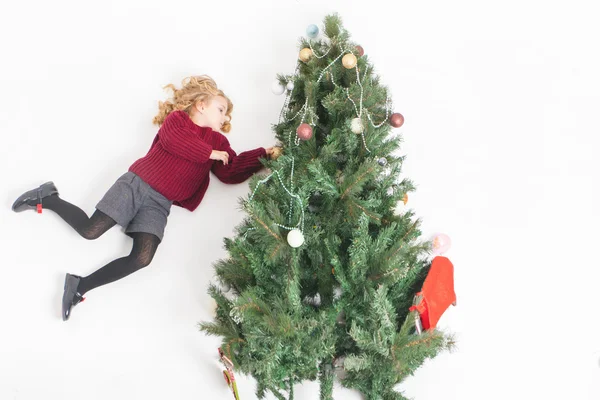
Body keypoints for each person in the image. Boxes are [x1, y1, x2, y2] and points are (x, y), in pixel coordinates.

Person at [11, 75, 276, 321]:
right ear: (201, 105)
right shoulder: (178, 121)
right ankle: (48, 196)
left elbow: (230, 171)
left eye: (227, 113)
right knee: (90, 231)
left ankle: (79, 285)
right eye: (221, 109)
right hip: (138, 185)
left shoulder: (218, 143)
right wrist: (210, 154)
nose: (225, 116)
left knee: (142, 258)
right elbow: (176, 142)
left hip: (160, 203)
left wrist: (263, 154)